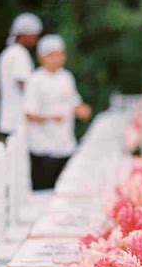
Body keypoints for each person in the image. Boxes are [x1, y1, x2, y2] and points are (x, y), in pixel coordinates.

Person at [24, 34, 92, 190]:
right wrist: (50, 118)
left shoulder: (66, 77)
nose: (57, 58)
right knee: (44, 193)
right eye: (52, 55)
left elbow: (75, 102)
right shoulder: (35, 80)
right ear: (42, 58)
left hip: (66, 146)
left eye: (60, 54)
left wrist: (82, 110)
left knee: (66, 190)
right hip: (43, 149)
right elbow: (29, 114)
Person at [0, 13, 43, 134]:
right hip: (18, 121)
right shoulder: (19, 54)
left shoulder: (9, 52)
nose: (36, 38)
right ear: (24, 34)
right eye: (35, 34)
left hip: (10, 119)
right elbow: (25, 86)